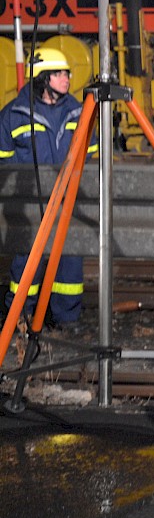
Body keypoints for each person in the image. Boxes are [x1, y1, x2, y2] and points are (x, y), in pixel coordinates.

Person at [1, 47, 95, 328]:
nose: (66, 78)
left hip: (68, 202)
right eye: (58, 73)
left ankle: (66, 319)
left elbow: (91, 154)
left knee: (69, 263)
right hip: (31, 204)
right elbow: (3, 162)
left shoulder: (79, 112)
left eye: (66, 73)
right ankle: (19, 316)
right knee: (27, 263)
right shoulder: (14, 115)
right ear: (42, 79)